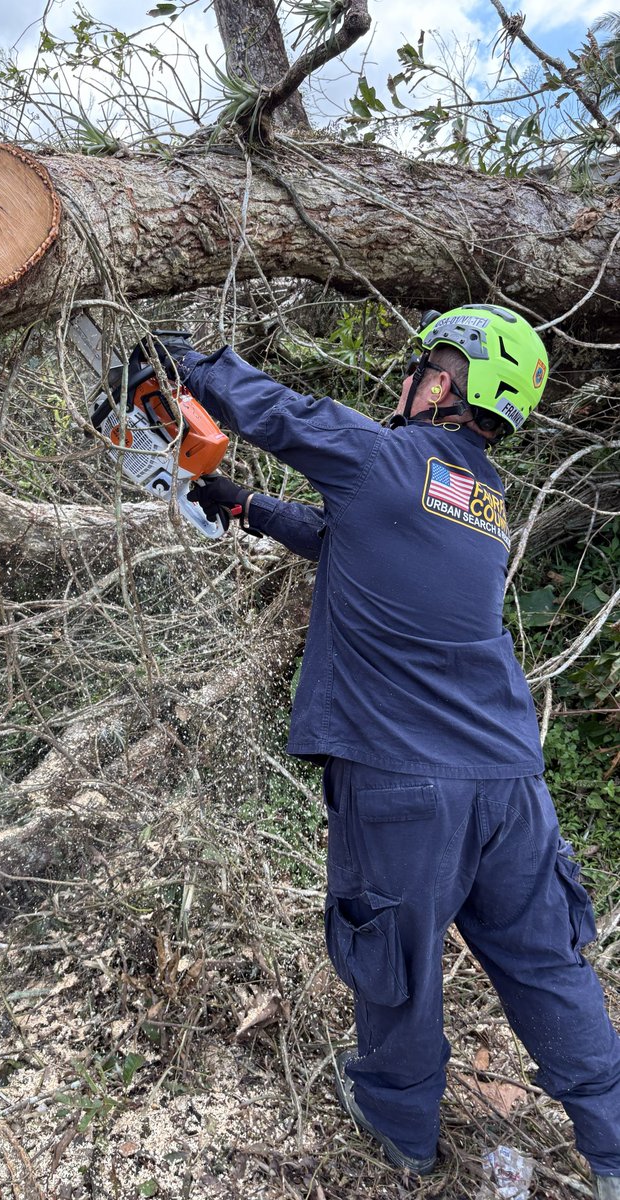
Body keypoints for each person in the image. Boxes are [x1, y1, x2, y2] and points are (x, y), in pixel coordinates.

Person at [150, 306, 620, 1197]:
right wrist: (246, 506)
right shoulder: (481, 503)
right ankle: (614, 1143)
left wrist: (185, 360)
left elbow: (281, 413)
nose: (406, 382)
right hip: (510, 784)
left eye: (419, 368)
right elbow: (345, 539)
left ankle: (400, 1120)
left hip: (406, 781)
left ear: (443, 381)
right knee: (547, 963)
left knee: (394, 957)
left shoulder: (384, 459)